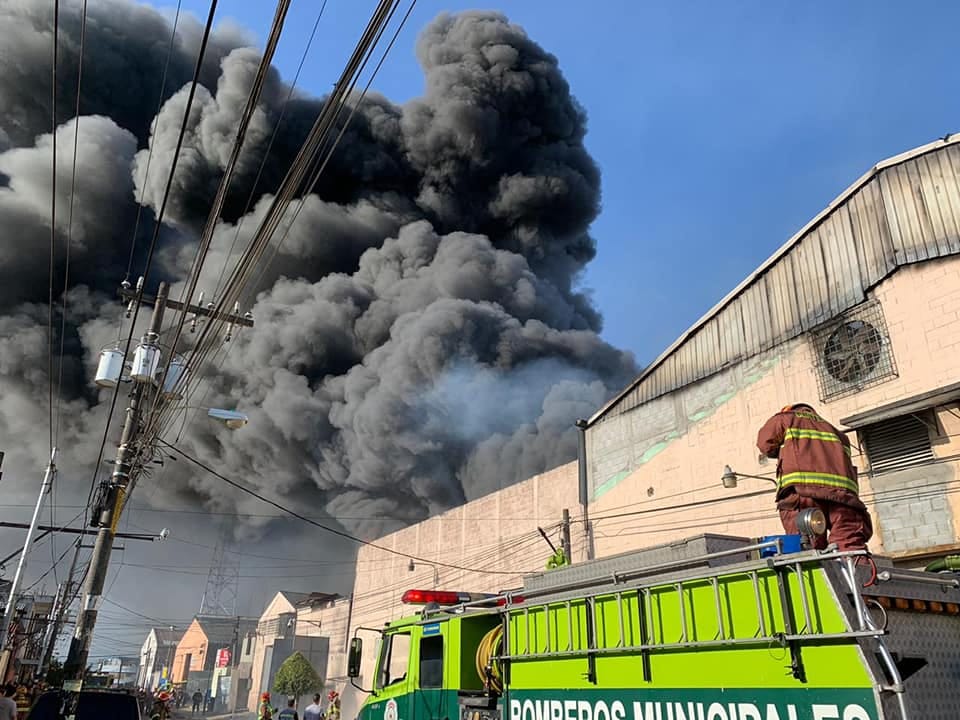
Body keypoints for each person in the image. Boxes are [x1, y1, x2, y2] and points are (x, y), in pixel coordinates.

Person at [757, 403, 873, 550]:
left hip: (803, 494)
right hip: (844, 498)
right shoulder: (838, 433)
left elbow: (766, 445)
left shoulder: (785, 418)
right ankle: (860, 572)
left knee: (809, 546)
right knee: (849, 546)